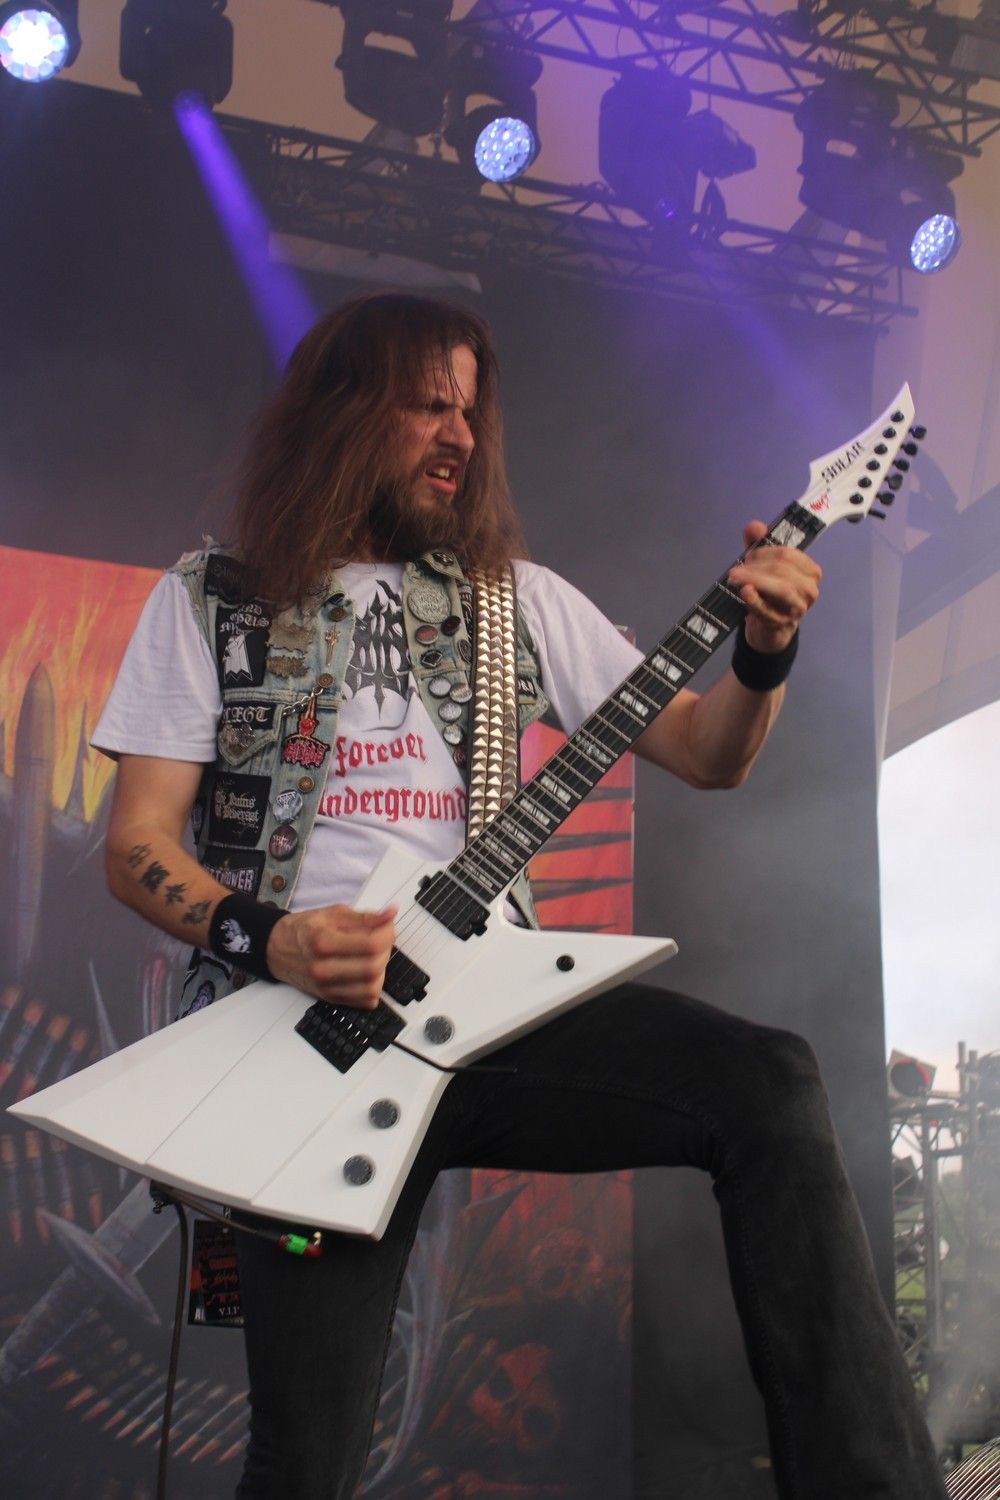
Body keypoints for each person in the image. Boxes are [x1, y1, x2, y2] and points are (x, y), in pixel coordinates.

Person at [92, 293, 944, 1500]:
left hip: (493, 1015)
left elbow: (709, 752)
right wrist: (272, 939)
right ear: (342, 410)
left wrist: (763, 653)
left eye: (469, 411)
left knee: (766, 1081)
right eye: (427, 405)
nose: (460, 435)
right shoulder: (210, 598)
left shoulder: (515, 599)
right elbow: (136, 843)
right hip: (297, 1048)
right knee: (307, 1455)